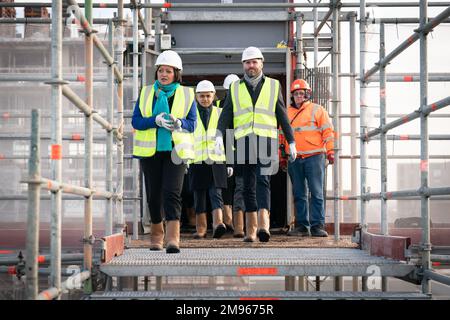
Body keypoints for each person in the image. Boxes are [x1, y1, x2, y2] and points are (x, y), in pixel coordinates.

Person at [217, 46, 296, 243]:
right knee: (246, 187)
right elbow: (226, 114)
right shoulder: (235, 88)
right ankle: (250, 231)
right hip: (243, 141)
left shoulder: (273, 85)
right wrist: (219, 135)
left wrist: (291, 141)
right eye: (247, 62)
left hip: (266, 140)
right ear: (243, 65)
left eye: (254, 62)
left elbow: (282, 115)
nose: (251, 65)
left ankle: (263, 226)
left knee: (263, 182)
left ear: (261, 63)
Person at [132, 50, 197, 253]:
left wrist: (179, 123)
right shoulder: (146, 93)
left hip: (175, 151)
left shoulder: (187, 94)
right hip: (150, 152)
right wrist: (155, 120)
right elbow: (136, 121)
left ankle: (172, 239)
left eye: (168, 71)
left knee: (172, 193)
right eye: (161, 70)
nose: (164, 74)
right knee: (153, 196)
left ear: (176, 73)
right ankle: (156, 235)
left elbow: (192, 124)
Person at [285, 79, 334, 237]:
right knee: (299, 193)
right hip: (294, 158)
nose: (299, 96)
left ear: (307, 94)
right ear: (292, 96)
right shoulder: (286, 112)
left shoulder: (318, 110)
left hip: (315, 156)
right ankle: (302, 226)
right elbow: (281, 136)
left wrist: (331, 151)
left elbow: (328, 132)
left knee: (316, 192)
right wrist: (281, 156)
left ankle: (317, 226)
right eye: (296, 94)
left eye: (301, 93)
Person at [189, 80, 232, 239]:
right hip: (196, 160)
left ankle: (218, 224)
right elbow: (186, 137)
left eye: (208, 96)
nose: (205, 99)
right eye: (201, 96)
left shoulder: (220, 113)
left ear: (214, 95)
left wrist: (230, 163)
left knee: (216, 194)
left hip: (217, 160)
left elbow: (229, 139)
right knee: (198, 195)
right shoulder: (190, 114)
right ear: (196, 96)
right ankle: (201, 229)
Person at [217, 74, 242, 236]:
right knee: (226, 186)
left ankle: (239, 221)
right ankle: (228, 221)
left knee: (240, 185)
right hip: (224, 148)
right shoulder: (219, 105)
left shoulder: (242, 104)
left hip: (242, 147)